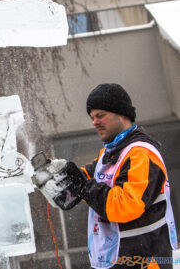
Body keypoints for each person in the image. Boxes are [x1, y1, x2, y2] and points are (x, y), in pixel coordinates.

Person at [37, 83, 178, 269]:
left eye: (100, 115)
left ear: (122, 113)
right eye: (92, 117)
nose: (94, 122)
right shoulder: (110, 154)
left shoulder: (141, 154)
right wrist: (55, 177)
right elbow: (84, 180)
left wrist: (84, 187)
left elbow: (125, 206)